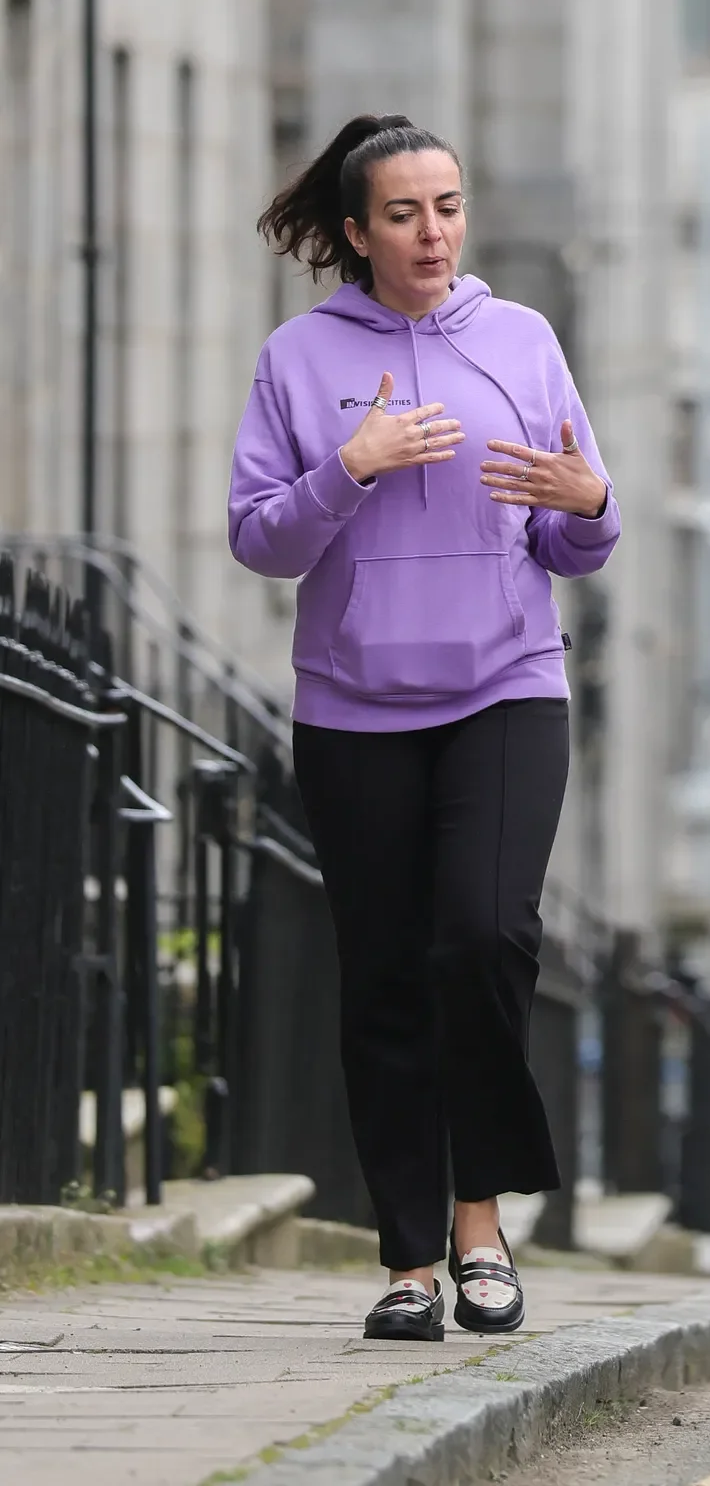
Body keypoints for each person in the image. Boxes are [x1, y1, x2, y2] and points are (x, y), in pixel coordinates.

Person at [229, 114, 620, 1342]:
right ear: (358, 233)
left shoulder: (521, 341)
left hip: (506, 684)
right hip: (354, 704)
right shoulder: (299, 357)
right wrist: (349, 467)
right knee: (385, 978)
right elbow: (259, 539)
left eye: (447, 207)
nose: (433, 232)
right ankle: (407, 1263)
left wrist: (590, 504)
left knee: (486, 935)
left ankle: (480, 1225)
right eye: (404, 214)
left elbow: (573, 535)